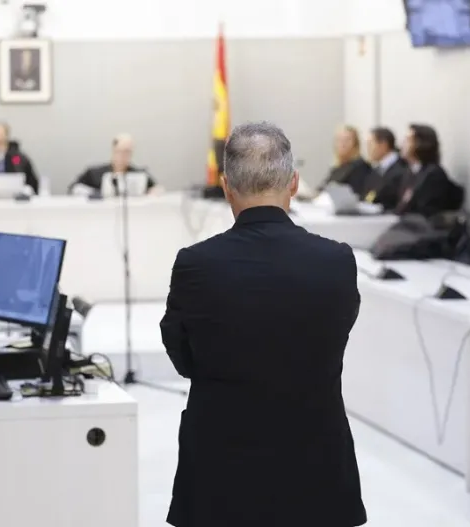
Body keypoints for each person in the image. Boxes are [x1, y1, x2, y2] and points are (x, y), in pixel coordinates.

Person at [161, 121, 366, 527]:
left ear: (226, 187)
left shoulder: (195, 264)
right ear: (294, 183)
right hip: (317, 469)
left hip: (219, 471)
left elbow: (182, 356)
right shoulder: (337, 261)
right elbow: (335, 337)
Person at [396, 124, 460, 216]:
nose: (402, 144)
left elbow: (426, 211)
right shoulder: (409, 172)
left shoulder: (434, 174)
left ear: (421, 144)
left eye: (408, 140)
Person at [69, 134, 161, 196]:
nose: (123, 156)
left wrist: (154, 192)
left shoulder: (139, 174)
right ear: (113, 150)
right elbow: (74, 188)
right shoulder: (94, 173)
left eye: (127, 152)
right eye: (120, 151)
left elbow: (156, 189)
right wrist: (97, 194)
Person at [318, 125, 376, 198]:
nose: (343, 144)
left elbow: (355, 195)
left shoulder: (361, 167)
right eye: (339, 140)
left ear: (355, 144)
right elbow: (322, 188)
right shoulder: (337, 167)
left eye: (347, 140)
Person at [364, 127, 409, 210]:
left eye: (370, 144)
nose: (368, 149)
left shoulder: (402, 168)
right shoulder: (376, 170)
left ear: (383, 145)